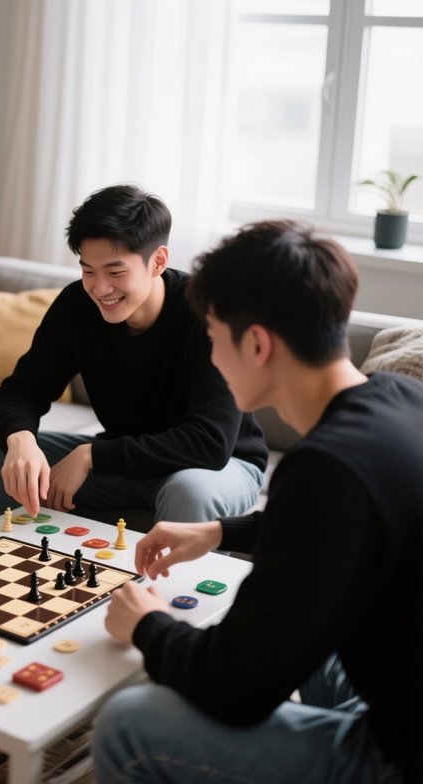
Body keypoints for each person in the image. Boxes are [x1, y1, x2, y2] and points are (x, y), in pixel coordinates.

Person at [93, 220, 422, 783]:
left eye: (213, 337)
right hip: (400, 699)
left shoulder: (323, 466)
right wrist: (222, 532)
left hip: (398, 758)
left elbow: (231, 690)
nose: (211, 356)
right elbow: (345, 525)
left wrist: (147, 626)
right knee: (309, 639)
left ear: (257, 344)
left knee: (127, 722)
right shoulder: (401, 397)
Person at [0, 183, 267, 523]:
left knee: (189, 490)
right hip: (129, 463)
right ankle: (40, 553)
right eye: (88, 271)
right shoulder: (76, 306)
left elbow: (209, 442)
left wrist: (92, 456)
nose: (100, 288)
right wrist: (20, 440)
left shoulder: (211, 315)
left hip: (220, 466)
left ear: (158, 261)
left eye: (115, 272)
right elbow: (22, 389)